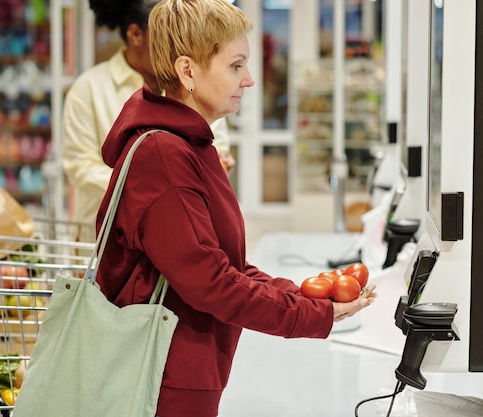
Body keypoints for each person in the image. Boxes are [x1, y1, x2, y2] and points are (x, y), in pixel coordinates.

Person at [94, 0, 377, 416]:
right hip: (161, 378)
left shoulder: (190, 145)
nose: (249, 80)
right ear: (187, 71)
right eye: (235, 66)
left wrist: (302, 297)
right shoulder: (164, 155)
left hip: (181, 369)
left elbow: (228, 265)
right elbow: (210, 282)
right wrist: (309, 316)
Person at [61, 0, 235, 243]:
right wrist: (155, 188)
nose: (177, 47)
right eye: (165, 37)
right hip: (106, 246)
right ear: (135, 34)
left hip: (182, 240)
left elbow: (217, 146)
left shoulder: (191, 83)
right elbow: (81, 167)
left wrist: (219, 163)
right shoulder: (89, 89)